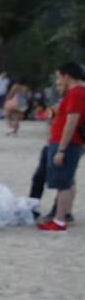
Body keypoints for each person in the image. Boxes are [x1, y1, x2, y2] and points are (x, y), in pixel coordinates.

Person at [37, 61, 84, 232]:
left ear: (67, 76)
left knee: (63, 182)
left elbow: (71, 122)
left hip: (67, 144)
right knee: (68, 180)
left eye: (59, 77)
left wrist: (61, 150)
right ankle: (65, 214)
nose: (59, 81)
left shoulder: (76, 93)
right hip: (70, 143)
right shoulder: (77, 92)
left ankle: (59, 220)